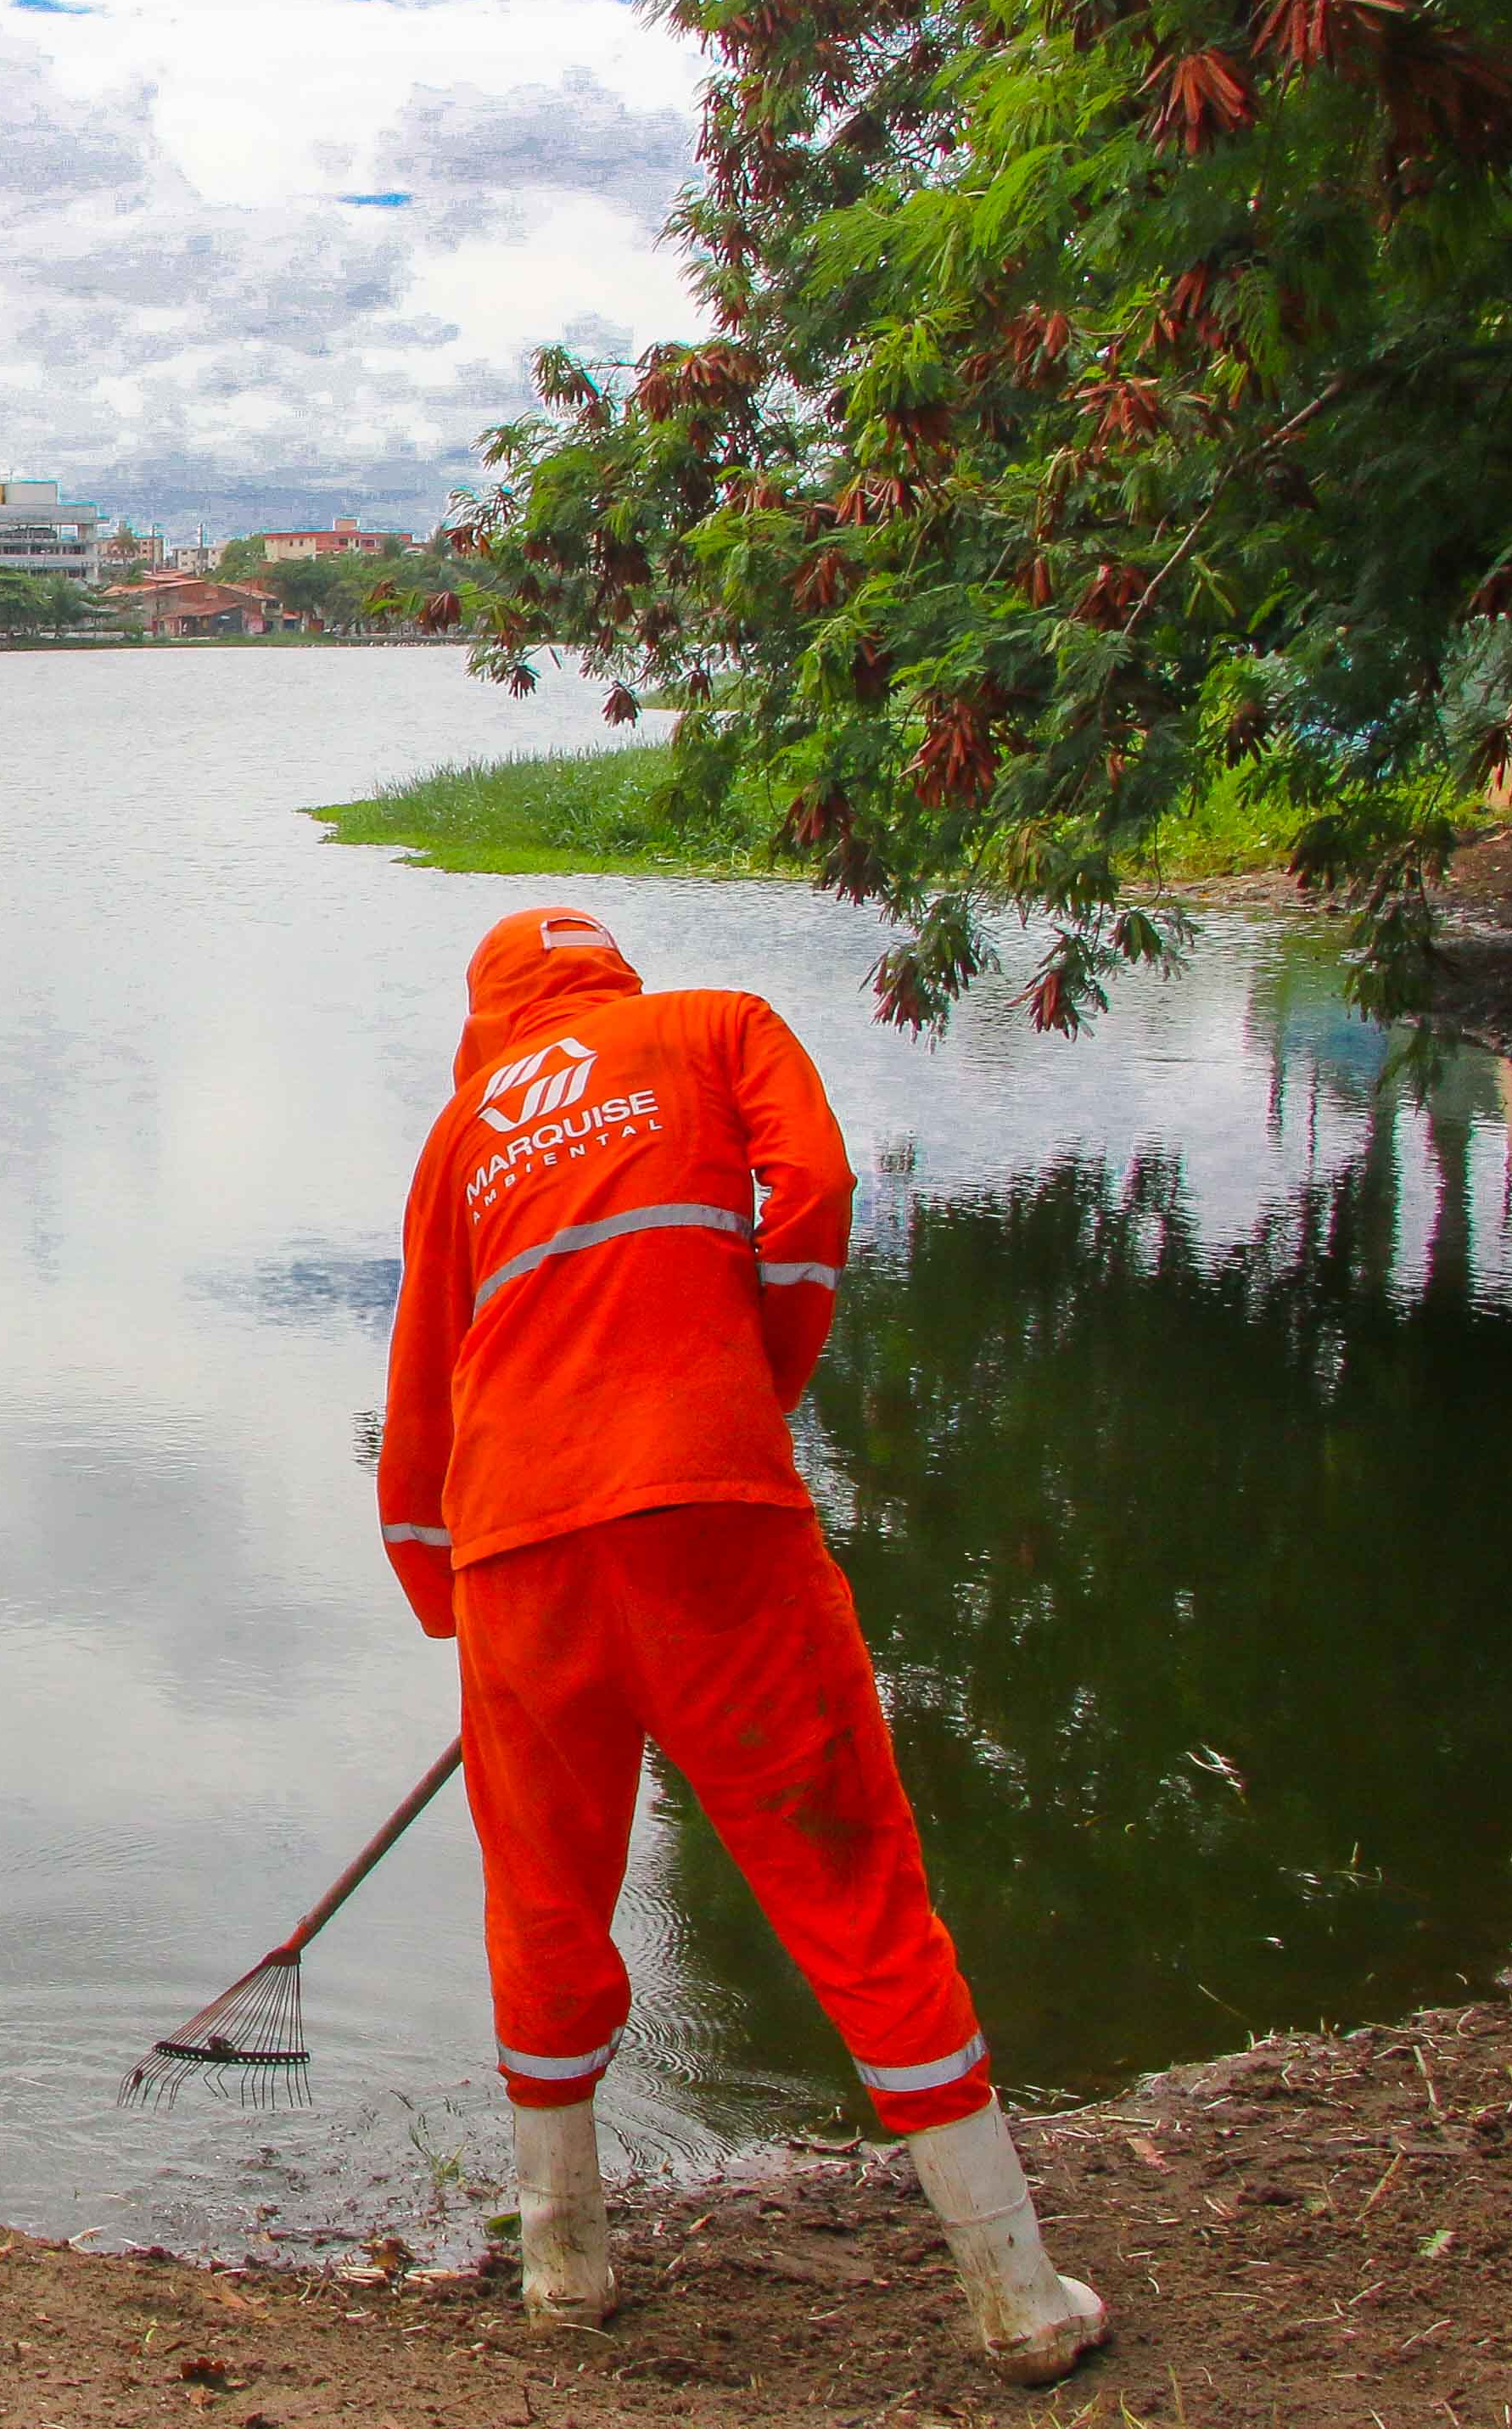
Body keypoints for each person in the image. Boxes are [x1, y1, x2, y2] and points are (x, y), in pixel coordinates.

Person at [374, 903, 1106, 2385]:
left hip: (517, 1551)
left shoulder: (462, 1134)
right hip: (711, 1509)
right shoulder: (715, 1027)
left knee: (543, 1900)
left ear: (489, 1012)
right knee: (849, 1875)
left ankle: (562, 2269)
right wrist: (746, 1378)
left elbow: (423, 1380)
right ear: (609, 976)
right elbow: (816, 1186)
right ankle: (1018, 2292)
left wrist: (459, 1600)